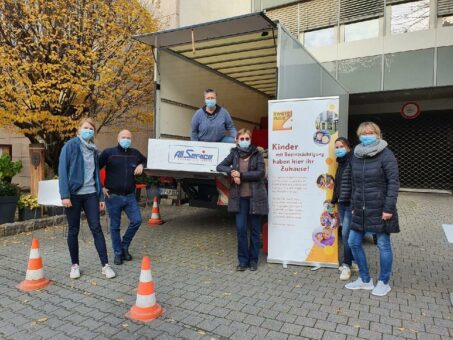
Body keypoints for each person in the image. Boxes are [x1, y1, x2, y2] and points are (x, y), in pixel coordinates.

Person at [345, 122, 400, 297]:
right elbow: (354, 183)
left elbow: (393, 182)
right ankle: (365, 280)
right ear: (359, 135)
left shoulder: (386, 154)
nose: (367, 135)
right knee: (353, 242)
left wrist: (389, 208)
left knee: (383, 245)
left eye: (371, 132)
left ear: (378, 134)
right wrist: (354, 206)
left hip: (380, 207)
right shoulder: (356, 155)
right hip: (360, 208)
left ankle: (384, 282)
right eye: (364, 133)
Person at [58, 118, 116, 279]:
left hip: (91, 194)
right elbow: (62, 171)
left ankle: (105, 265)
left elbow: (96, 175)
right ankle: (75, 265)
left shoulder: (93, 150)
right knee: (73, 230)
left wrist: (100, 197)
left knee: (96, 228)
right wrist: (65, 195)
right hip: (74, 196)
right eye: (86, 127)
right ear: (79, 129)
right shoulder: (70, 146)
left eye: (91, 129)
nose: (88, 130)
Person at [217, 128, 268, 271]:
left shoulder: (257, 154)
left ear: (250, 140)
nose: (245, 141)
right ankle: (242, 261)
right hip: (239, 199)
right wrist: (231, 172)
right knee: (240, 229)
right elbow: (219, 166)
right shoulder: (233, 153)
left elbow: (260, 173)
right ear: (237, 140)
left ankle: (253, 261)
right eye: (242, 138)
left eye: (247, 138)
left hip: (255, 198)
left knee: (255, 230)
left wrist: (241, 176)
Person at [99, 130, 147, 265]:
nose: (126, 139)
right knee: (115, 227)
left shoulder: (135, 154)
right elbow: (94, 169)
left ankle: (124, 245)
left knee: (137, 220)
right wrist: (101, 187)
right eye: (123, 137)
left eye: (128, 138)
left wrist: (141, 165)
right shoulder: (109, 153)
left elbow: (146, 160)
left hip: (130, 196)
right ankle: (118, 253)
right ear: (118, 138)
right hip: (113, 196)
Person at [331, 137, 355, 281]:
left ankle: (347, 265)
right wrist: (335, 199)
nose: (338, 149)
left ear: (347, 147)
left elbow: (356, 184)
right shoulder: (341, 162)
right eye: (337, 146)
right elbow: (338, 184)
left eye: (341, 146)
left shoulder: (352, 161)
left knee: (346, 235)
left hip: (350, 204)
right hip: (342, 203)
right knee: (348, 234)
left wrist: (355, 204)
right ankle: (354, 262)